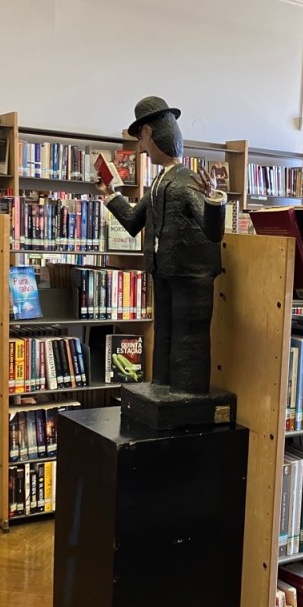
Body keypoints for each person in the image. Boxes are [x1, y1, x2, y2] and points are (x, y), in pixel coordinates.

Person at [97, 97, 227, 395]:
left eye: (141, 139)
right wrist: (110, 194)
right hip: (164, 269)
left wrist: (214, 201)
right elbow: (133, 221)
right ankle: (163, 385)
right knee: (165, 331)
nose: (140, 147)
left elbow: (212, 232)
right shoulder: (159, 182)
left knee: (188, 335)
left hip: (190, 273)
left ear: (151, 133)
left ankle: (188, 391)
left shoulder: (187, 180)